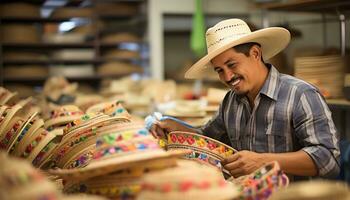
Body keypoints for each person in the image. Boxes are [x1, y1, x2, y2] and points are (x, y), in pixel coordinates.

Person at [148, 18, 340, 179]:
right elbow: (208, 136)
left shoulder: (300, 95)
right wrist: (176, 126)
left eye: (232, 65)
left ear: (255, 53)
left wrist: (262, 161)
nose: (227, 77)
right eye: (219, 71)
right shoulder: (231, 101)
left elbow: (328, 159)